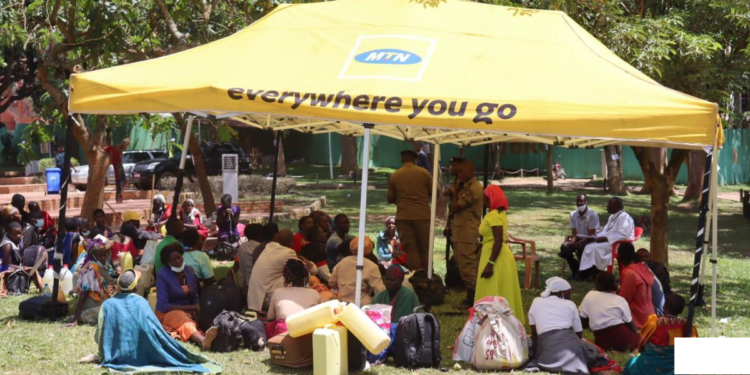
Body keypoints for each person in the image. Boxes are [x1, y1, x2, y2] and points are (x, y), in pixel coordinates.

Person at [93, 269, 222, 373]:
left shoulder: (107, 304)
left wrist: (104, 353)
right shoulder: (142, 303)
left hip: (116, 355)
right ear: (137, 286)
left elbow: (100, 334)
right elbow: (154, 330)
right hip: (141, 354)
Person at [526, 277, 616, 374]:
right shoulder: (570, 304)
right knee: (591, 349)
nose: (570, 297)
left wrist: (539, 353)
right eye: (568, 294)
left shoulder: (536, 301)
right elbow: (579, 334)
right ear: (559, 292)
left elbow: (534, 333)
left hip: (546, 354)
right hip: (572, 348)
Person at [475, 185, 524, 323]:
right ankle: (504, 321)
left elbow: (498, 240)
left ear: (490, 198)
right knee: (503, 289)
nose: (483, 200)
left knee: (490, 289)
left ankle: (489, 320)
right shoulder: (500, 214)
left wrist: (490, 264)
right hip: (497, 255)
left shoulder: (493, 216)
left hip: (495, 256)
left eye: (485, 197)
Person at [156, 243, 217, 350]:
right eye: (173, 261)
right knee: (182, 319)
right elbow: (164, 305)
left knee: (207, 317)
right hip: (167, 314)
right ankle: (202, 340)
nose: (177, 262)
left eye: (179, 258)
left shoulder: (189, 271)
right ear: (167, 263)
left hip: (189, 311)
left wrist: (197, 308)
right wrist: (192, 308)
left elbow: (195, 296)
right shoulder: (163, 275)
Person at [623, 294, 698, 375]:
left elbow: (642, 342)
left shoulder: (654, 322)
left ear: (664, 306)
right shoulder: (688, 326)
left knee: (631, 364)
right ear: (681, 311)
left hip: (651, 364)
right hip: (675, 367)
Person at [445, 158, 483, 307]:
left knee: (467, 265)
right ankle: (471, 294)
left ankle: (473, 297)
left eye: (461, 171)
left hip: (467, 231)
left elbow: (455, 207)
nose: (458, 174)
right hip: (459, 230)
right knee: (461, 264)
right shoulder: (462, 184)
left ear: (470, 171)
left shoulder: (473, 187)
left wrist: (454, 192)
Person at [387, 149, 432, 271]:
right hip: (422, 215)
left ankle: (416, 274)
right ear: (415, 159)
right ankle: (428, 274)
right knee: (424, 248)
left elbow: (389, 198)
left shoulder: (395, 175)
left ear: (402, 160)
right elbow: (435, 192)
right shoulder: (425, 173)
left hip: (404, 216)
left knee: (411, 249)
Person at [579, 273, 640, 352]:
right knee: (639, 340)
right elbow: (629, 323)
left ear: (597, 283)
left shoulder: (589, 295)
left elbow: (583, 319)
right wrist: (636, 334)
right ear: (613, 285)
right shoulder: (620, 300)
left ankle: (614, 349)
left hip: (602, 340)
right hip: (622, 337)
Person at [579, 197, 634, 279]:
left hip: (620, 245)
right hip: (610, 242)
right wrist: (596, 236)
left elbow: (623, 235)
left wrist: (605, 238)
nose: (607, 206)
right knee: (588, 245)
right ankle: (590, 272)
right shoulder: (612, 216)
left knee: (592, 247)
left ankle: (594, 272)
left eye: (609, 205)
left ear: (616, 206)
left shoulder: (624, 217)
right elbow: (606, 231)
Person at [265, 259, 322, 337]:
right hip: (307, 335)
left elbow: (270, 317)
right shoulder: (314, 293)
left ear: (285, 276)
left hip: (283, 334)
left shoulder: (277, 292)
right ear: (306, 275)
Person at [246, 229, 299, 312]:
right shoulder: (289, 252)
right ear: (291, 243)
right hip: (265, 299)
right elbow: (302, 272)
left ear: (275, 238)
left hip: (254, 299)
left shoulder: (269, 247)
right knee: (294, 278)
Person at [67, 240, 116, 326]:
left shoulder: (91, 264)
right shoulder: (92, 268)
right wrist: (76, 320)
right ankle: (82, 317)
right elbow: (84, 293)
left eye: (105, 255)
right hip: (92, 305)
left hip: (95, 301)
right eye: (100, 256)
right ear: (92, 255)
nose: (104, 258)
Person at [329, 236, 385, 305]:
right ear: (370, 249)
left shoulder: (342, 262)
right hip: (363, 304)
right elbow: (380, 291)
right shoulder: (372, 266)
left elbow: (332, 282)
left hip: (342, 302)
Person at [559, 194, 600, 280]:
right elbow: (574, 233)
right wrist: (572, 242)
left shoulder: (593, 215)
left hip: (590, 239)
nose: (579, 203)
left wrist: (578, 243)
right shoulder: (573, 214)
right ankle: (576, 270)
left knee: (581, 247)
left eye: (581, 201)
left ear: (586, 202)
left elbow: (591, 234)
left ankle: (583, 273)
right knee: (564, 248)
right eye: (577, 201)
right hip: (578, 239)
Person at [618, 243, 655, 329]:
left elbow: (623, 299)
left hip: (638, 321)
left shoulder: (630, 274)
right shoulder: (642, 267)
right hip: (650, 316)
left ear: (621, 256)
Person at [237, 223, 263, 291]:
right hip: (263, 286)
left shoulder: (243, 247)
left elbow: (241, 268)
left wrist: (241, 286)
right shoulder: (264, 248)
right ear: (260, 236)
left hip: (249, 285)